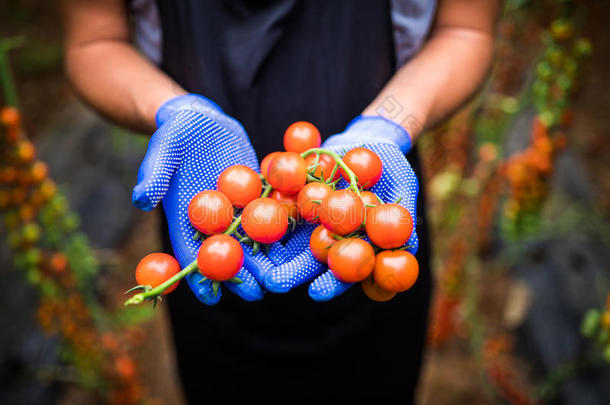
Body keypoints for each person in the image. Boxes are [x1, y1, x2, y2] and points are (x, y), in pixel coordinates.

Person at [61, 0, 499, 403]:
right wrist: (173, 109)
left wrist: (390, 125)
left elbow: (464, 29)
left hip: (370, 199)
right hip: (207, 218)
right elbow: (95, 41)